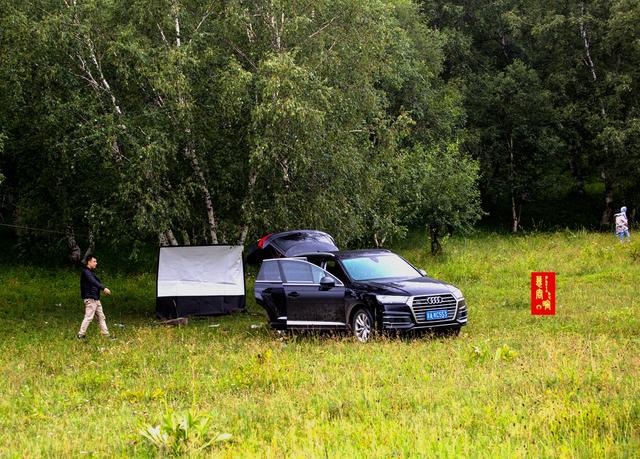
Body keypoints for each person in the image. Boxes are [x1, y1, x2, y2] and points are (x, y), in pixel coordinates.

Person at [77, 256, 113, 339]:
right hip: (90, 299)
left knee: (101, 317)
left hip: (95, 299)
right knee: (89, 317)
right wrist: (103, 288)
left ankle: (106, 335)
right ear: (89, 262)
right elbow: (93, 282)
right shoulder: (86, 272)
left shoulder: (90, 272)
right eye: (94, 261)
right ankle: (80, 335)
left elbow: (94, 282)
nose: (96, 263)